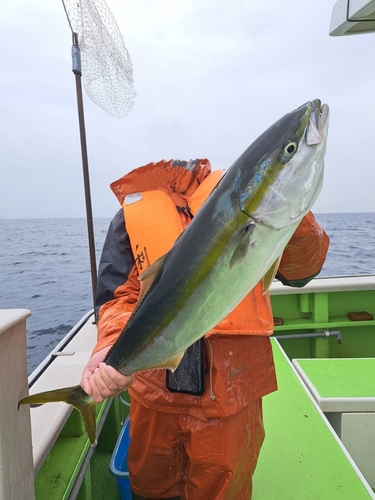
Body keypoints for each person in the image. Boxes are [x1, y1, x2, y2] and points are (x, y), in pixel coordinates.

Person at [80, 158, 329, 500]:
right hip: (154, 392)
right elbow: (118, 295)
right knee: (151, 488)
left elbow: (302, 270)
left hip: (230, 390)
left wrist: (293, 203)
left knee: (224, 490)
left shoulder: (244, 200)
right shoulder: (130, 214)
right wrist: (110, 348)